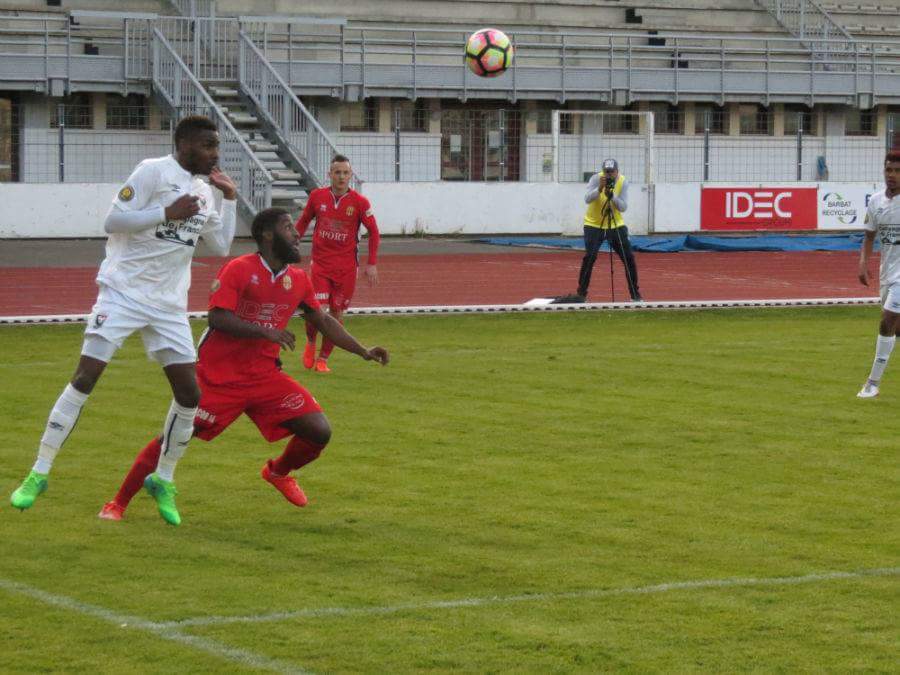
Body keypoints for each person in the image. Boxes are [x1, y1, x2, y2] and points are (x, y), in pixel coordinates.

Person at [10, 115, 238, 525]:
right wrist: (165, 213)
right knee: (86, 377)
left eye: (216, 146)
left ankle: (163, 478)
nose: (215, 153)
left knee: (190, 395)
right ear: (184, 144)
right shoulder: (152, 172)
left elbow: (220, 246)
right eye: (208, 145)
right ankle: (39, 471)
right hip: (123, 293)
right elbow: (113, 222)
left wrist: (230, 198)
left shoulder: (205, 192)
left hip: (168, 305)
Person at [97, 207, 389, 522]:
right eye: (288, 227)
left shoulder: (298, 280)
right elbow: (217, 317)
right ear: (267, 235)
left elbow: (323, 320)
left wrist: (363, 351)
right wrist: (266, 331)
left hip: (264, 378)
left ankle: (277, 472)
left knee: (318, 430)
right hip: (218, 379)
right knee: (174, 438)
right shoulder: (238, 269)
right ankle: (117, 503)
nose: (296, 234)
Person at [295, 154, 380, 373]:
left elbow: (374, 232)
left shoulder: (360, 203)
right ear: (330, 174)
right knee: (316, 310)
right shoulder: (317, 196)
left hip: (346, 268)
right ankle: (311, 342)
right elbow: (304, 220)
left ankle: (323, 359)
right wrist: (292, 241)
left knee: (336, 314)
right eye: (337, 172)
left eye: (345, 173)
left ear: (350, 175)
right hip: (321, 264)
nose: (342, 177)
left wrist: (371, 263)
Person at [856, 150, 900, 398]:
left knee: (886, 321)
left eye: (897, 171)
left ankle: (872, 383)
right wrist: (863, 262)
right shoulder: (875, 201)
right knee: (897, 328)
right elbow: (869, 235)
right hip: (888, 273)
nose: (891, 175)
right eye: (888, 170)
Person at [575, 158, 642, 302]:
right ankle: (581, 294)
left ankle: (635, 295)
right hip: (594, 224)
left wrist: (613, 198)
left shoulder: (623, 181)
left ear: (617, 171)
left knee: (628, 257)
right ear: (603, 171)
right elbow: (587, 199)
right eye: (607, 172)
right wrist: (599, 189)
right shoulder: (595, 179)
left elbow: (623, 207)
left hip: (615, 224)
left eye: (612, 172)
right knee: (590, 257)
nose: (609, 175)